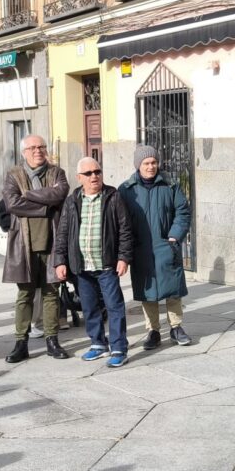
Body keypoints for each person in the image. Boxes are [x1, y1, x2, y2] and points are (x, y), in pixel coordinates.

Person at [54, 157, 133, 367]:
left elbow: (125, 230)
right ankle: (98, 344)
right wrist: (60, 261)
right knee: (89, 308)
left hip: (107, 265)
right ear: (79, 178)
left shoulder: (113, 196)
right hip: (81, 266)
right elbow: (62, 233)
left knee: (114, 307)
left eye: (97, 171)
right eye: (88, 173)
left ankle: (119, 348)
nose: (94, 176)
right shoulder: (72, 201)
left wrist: (123, 257)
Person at [2, 135, 70, 363]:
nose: (38, 151)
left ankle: (52, 340)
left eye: (41, 146)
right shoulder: (14, 175)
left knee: (51, 293)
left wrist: (28, 195)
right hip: (24, 244)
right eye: (32, 148)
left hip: (52, 241)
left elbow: (60, 194)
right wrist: (45, 207)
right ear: (24, 152)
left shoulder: (56, 172)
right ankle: (21, 342)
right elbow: (12, 204)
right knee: (25, 295)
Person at [117, 145, 193, 350]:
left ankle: (176, 327)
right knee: (147, 291)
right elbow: (121, 221)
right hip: (141, 248)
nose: (151, 167)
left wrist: (174, 236)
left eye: (154, 162)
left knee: (173, 289)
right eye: (146, 163)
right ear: (138, 165)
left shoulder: (170, 185)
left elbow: (183, 212)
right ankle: (153, 331)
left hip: (166, 244)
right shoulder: (126, 190)